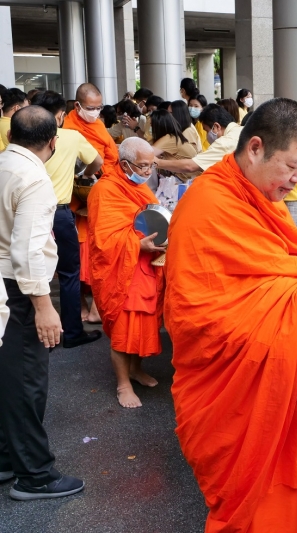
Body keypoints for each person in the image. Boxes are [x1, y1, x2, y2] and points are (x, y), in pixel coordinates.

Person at [165, 97, 297, 532]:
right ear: (256, 147)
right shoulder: (207, 206)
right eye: (292, 167)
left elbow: (288, 270)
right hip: (245, 387)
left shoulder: (260, 196)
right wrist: (285, 346)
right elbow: (196, 318)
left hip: (284, 382)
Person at [0, 106, 85, 500]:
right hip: (18, 289)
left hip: (7, 283)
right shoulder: (34, 177)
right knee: (26, 382)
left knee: (9, 377)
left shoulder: (4, 163)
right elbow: (29, 250)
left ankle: (6, 458)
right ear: (53, 141)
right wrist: (43, 306)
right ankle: (35, 475)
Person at [87, 137, 166, 409]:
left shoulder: (141, 189)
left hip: (147, 266)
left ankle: (136, 369)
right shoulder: (105, 190)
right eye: (143, 166)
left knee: (147, 323)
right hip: (121, 270)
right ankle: (123, 382)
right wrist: (137, 244)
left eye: (151, 167)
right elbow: (103, 241)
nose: (147, 172)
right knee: (124, 328)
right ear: (124, 164)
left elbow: (155, 217)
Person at [30, 90, 104, 348]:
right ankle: (72, 332)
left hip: (26, 213)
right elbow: (98, 161)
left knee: (29, 272)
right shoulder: (71, 136)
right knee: (68, 274)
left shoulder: (23, 140)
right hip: (59, 214)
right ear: (61, 115)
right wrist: (80, 175)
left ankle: (34, 336)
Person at [63, 83, 121, 324]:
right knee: (81, 255)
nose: (96, 112)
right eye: (91, 107)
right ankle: (84, 307)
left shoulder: (98, 125)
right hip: (80, 200)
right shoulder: (68, 127)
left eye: (99, 107)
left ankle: (95, 308)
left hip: (105, 192)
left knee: (97, 253)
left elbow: (110, 154)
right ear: (77, 106)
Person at [155, 104, 242, 175]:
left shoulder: (224, 143)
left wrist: (157, 162)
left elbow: (190, 166)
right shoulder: (242, 130)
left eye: (207, 131)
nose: (207, 135)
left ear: (216, 126)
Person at [150, 110, 199, 181]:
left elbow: (147, 154)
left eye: (151, 125)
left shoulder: (169, 138)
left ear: (159, 126)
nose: (150, 128)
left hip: (189, 180)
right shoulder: (175, 136)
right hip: (188, 178)